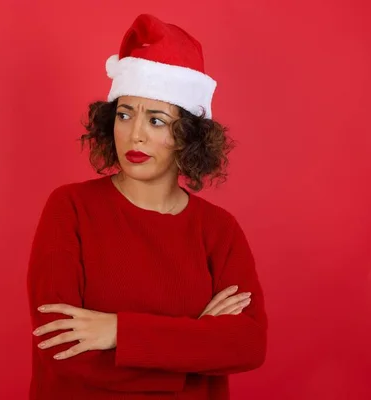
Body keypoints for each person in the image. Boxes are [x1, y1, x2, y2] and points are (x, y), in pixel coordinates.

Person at [26, 13, 267, 400]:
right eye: (124, 114)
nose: (134, 134)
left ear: (188, 136)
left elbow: (248, 344)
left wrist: (119, 332)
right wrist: (195, 348)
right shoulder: (69, 208)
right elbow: (61, 349)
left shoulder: (219, 230)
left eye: (156, 120)